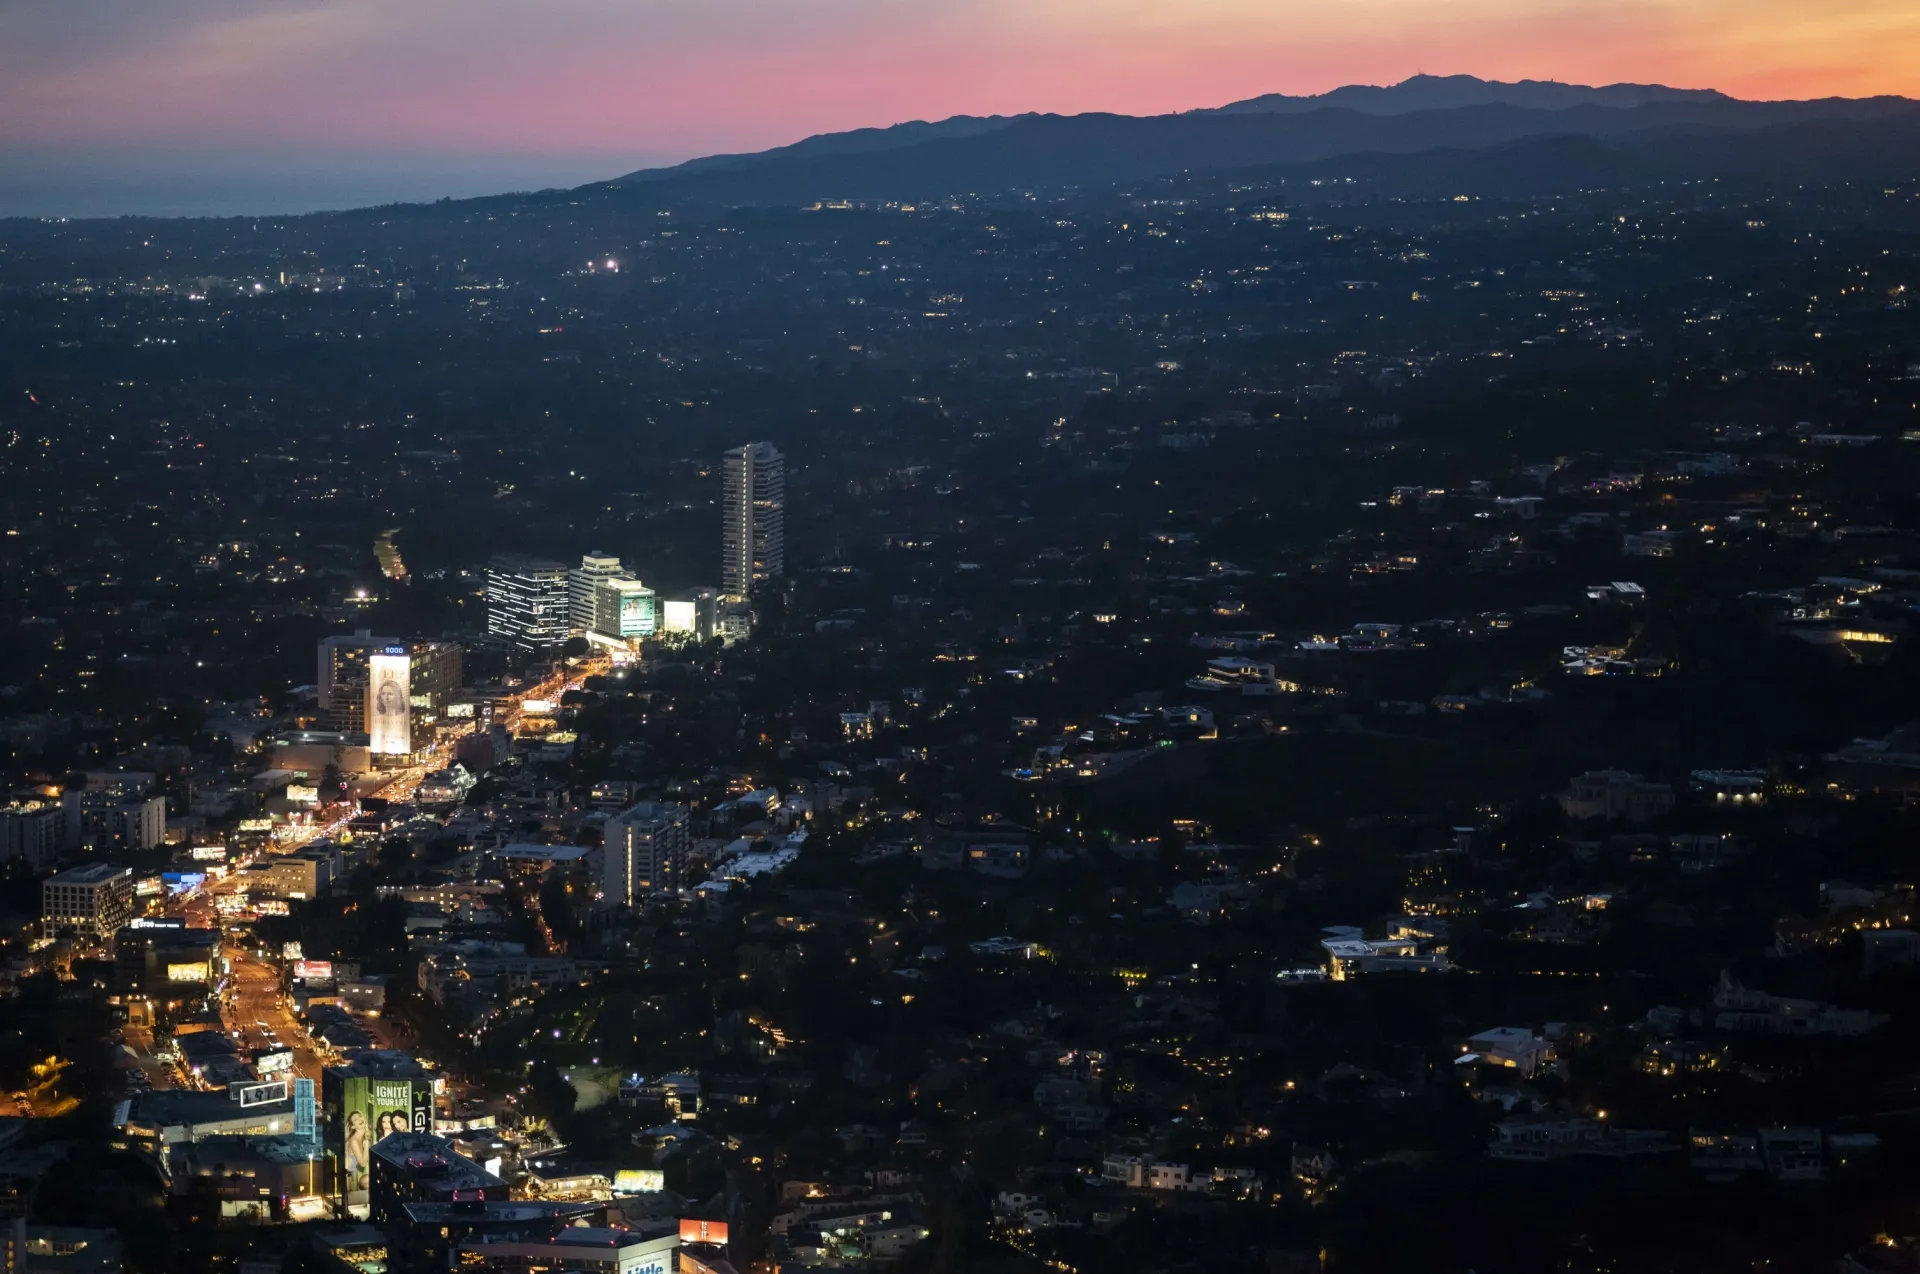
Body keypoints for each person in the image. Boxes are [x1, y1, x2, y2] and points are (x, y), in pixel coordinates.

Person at [343, 1110, 370, 1192]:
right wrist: (367, 1145)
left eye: (360, 1116)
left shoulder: (364, 1137)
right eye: (355, 1119)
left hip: (352, 1176)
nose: (359, 1119)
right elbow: (363, 1163)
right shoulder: (353, 1140)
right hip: (346, 1179)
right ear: (353, 1127)